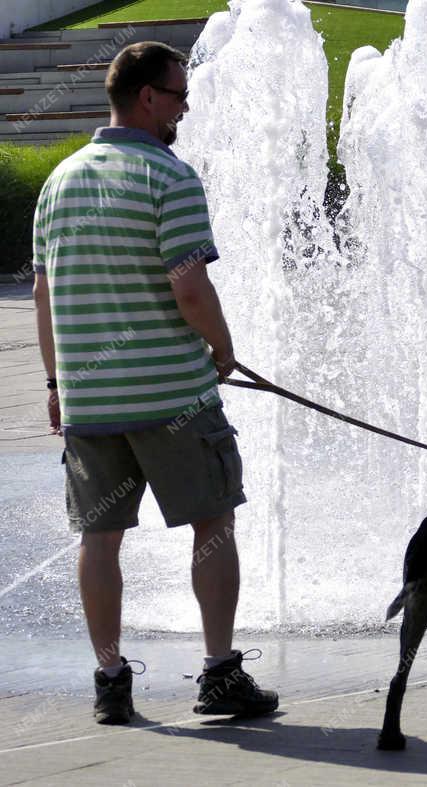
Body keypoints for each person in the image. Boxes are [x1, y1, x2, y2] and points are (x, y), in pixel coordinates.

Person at [31, 41, 278, 725]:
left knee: (99, 539)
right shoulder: (169, 177)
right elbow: (190, 287)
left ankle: (111, 678)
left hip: (88, 401)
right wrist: (223, 349)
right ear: (147, 97)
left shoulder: (61, 181)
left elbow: (44, 298)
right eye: (177, 97)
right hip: (172, 397)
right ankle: (220, 672)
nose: (184, 110)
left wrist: (57, 384)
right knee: (214, 521)